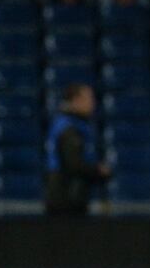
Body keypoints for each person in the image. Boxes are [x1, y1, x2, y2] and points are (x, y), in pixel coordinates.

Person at [45, 84, 111, 215]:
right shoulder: (69, 128)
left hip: (68, 194)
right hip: (66, 197)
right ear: (76, 100)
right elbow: (73, 164)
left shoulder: (72, 123)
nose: (92, 104)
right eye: (89, 99)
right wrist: (98, 171)